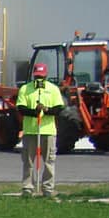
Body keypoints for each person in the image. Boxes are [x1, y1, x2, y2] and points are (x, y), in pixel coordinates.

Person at [16, 61, 65, 197]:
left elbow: (59, 108)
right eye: (37, 76)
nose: (39, 79)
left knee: (49, 161)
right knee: (28, 161)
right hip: (31, 131)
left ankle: (48, 188)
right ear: (34, 75)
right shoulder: (25, 89)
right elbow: (21, 108)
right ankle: (28, 187)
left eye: (41, 76)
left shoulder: (53, 89)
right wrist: (34, 112)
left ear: (46, 76)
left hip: (48, 131)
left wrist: (46, 110)